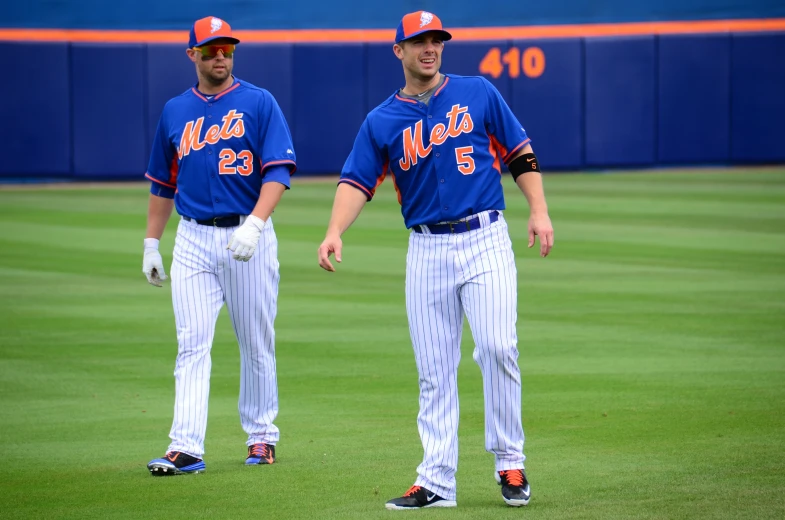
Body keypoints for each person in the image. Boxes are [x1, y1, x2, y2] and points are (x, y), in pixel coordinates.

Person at [317, 10, 554, 509]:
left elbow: (519, 151)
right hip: (426, 248)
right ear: (398, 50)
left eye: (436, 40)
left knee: (497, 347)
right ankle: (437, 480)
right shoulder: (381, 119)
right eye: (418, 41)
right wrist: (335, 230)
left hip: (485, 238)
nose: (430, 48)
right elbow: (357, 181)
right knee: (434, 369)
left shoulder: (478, 92)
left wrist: (538, 210)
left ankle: (509, 460)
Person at [142, 16, 296, 476]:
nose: (220, 55)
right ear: (192, 54)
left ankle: (262, 435)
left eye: (226, 48)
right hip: (192, 238)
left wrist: (255, 223)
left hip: (247, 233)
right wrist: (152, 242)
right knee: (191, 343)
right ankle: (185, 445)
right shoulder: (174, 111)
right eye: (210, 49)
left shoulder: (259, 102)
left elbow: (278, 172)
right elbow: (162, 183)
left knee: (255, 341)